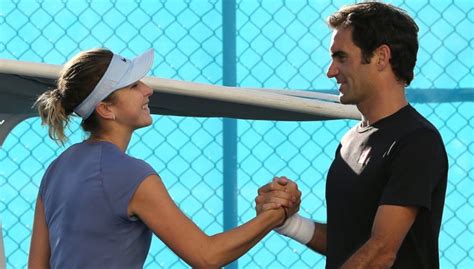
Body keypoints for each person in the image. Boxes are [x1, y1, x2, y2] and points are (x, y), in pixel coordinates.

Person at [28, 48, 301, 269]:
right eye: (134, 85)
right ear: (106, 109)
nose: (148, 89)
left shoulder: (56, 169)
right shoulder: (131, 175)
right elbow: (207, 256)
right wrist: (276, 214)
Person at [256, 2, 448, 269]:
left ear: (381, 57)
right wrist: (289, 221)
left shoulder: (417, 141)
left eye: (341, 57)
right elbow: (350, 245)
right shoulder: (350, 140)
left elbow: (380, 253)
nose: (330, 71)